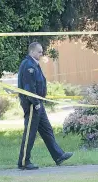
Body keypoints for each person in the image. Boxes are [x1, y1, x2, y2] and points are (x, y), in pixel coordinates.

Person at [17, 42, 73, 170]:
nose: (41, 54)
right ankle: (24, 162)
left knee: (47, 130)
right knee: (30, 133)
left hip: (38, 104)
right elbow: (29, 88)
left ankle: (58, 156)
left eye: (41, 51)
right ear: (32, 52)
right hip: (32, 105)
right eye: (39, 52)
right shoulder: (28, 65)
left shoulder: (34, 64)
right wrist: (36, 103)